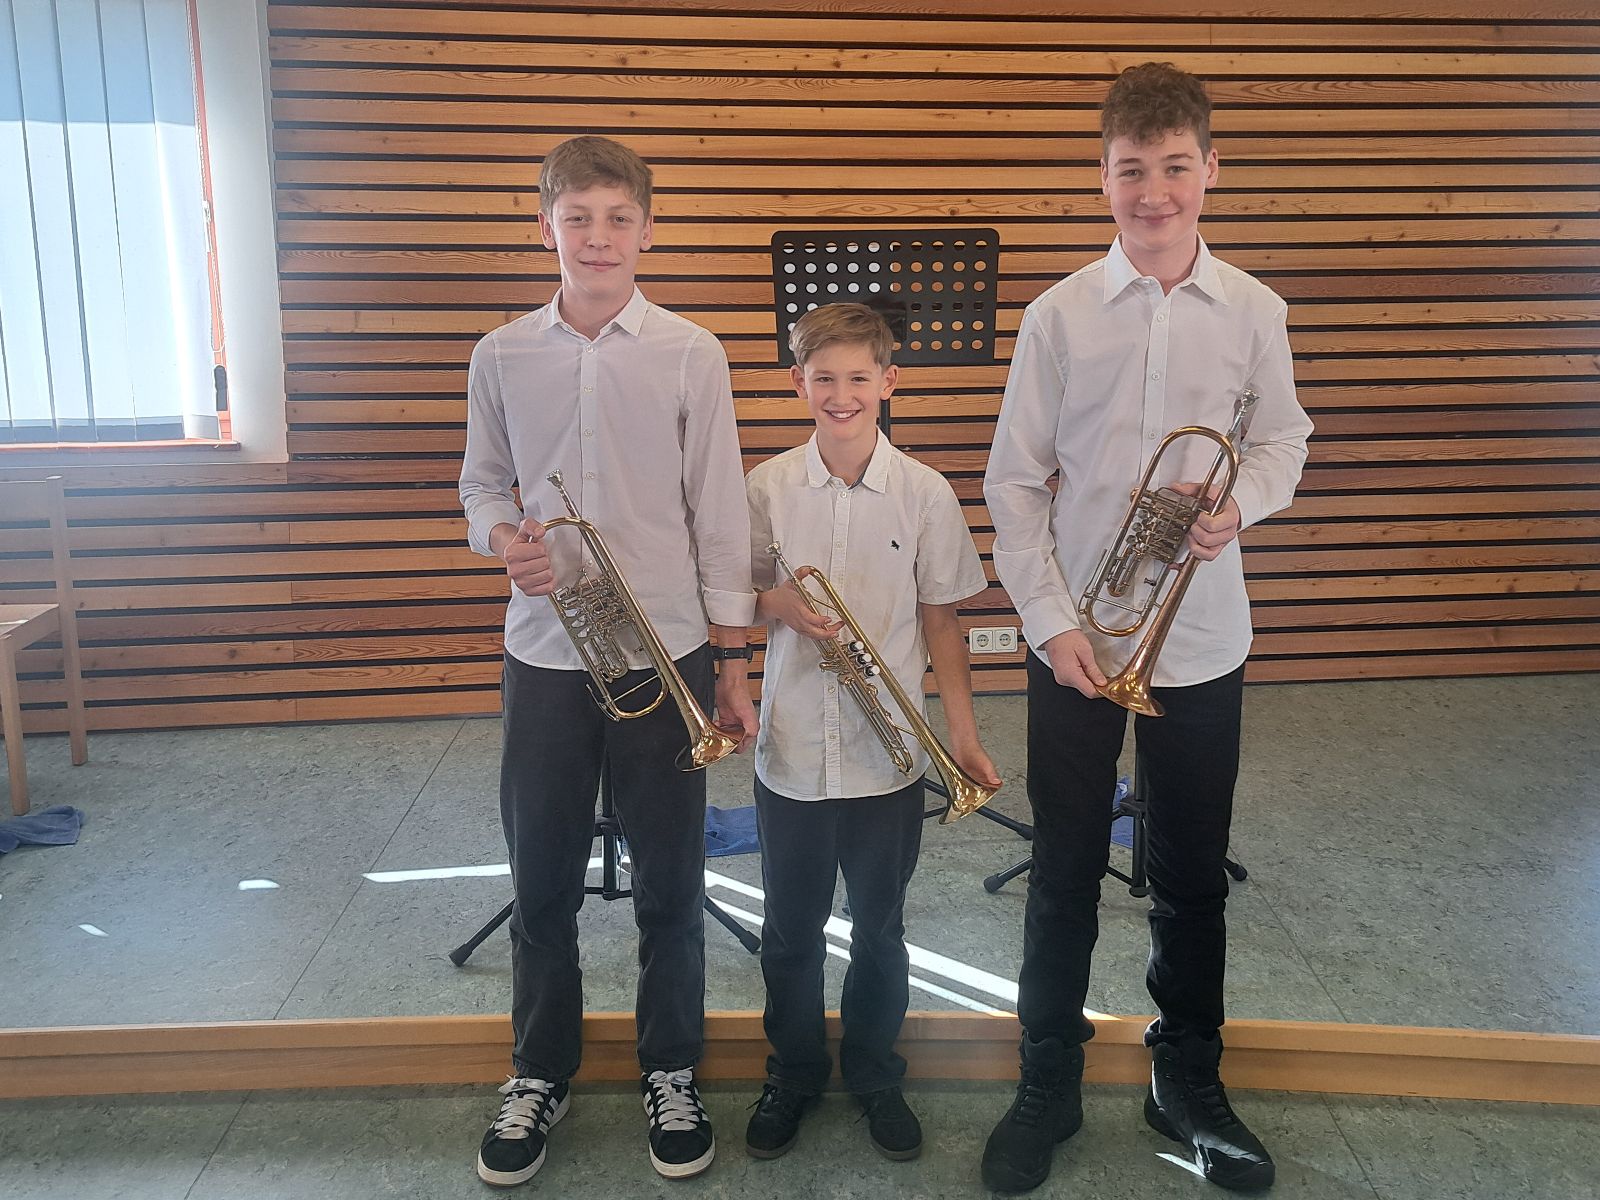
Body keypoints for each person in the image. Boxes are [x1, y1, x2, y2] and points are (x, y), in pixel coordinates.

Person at [979, 63, 1313, 1193]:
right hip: (1079, 640)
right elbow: (1013, 482)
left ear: (1210, 170)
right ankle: (1047, 1079)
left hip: (1202, 640)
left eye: (1175, 167)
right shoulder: (1059, 315)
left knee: (1190, 876)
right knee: (1063, 871)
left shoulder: (1255, 311)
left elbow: (1284, 441)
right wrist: (1047, 622)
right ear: (1103, 176)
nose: (1154, 191)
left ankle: (1188, 1082)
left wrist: (1239, 504)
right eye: (1132, 170)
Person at [458, 134, 758, 1188]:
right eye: (577, 218)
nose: (597, 237)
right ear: (545, 225)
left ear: (646, 229)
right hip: (546, 653)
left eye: (617, 218)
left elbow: (719, 510)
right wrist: (502, 537)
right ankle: (539, 1070)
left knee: (671, 879)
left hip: (664, 646)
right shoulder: (500, 355)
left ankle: (670, 1067)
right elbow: (480, 486)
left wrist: (733, 659)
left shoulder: (690, 352)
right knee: (540, 878)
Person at [741, 302, 1003, 1163]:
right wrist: (776, 604)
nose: (841, 394)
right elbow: (733, 597)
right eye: (824, 378)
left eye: (859, 377)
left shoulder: (924, 492)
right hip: (792, 751)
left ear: (889, 382)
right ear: (798, 384)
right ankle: (793, 1071)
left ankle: (875, 1072)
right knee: (789, 932)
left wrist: (961, 738)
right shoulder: (767, 487)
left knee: (880, 930)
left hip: (890, 757)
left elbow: (941, 625)